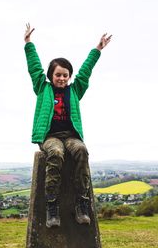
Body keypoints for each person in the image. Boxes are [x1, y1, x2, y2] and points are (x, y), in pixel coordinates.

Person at [24, 23, 112, 228]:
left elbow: (85, 71)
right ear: (51, 76)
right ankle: (52, 205)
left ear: (69, 77)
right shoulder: (42, 87)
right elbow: (34, 66)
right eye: (58, 74)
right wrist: (28, 43)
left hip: (71, 136)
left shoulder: (75, 90)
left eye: (65, 75)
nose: (62, 78)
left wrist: (97, 49)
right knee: (55, 153)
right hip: (50, 136)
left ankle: (82, 201)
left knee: (81, 151)